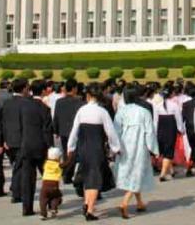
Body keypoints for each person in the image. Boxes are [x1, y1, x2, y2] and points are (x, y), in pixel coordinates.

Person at [67, 83, 121, 221]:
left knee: (87, 177)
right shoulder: (102, 112)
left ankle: (86, 203)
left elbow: (74, 131)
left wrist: (70, 148)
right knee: (95, 179)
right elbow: (111, 132)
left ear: (88, 95)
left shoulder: (81, 110)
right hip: (97, 148)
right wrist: (116, 148)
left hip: (82, 148)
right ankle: (90, 210)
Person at [114, 86, 157, 219]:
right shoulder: (144, 112)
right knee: (137, 173)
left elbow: (116, 131)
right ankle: (124, 203)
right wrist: (153, 148)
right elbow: (149, 132)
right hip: (139, 146)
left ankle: (139, 203)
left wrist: (115, 148)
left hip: (124, 146)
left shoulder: (121, 112)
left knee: (131, 173)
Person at [17, 80, 54, 216]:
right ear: (43, 91)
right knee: (48, 177)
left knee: (27, 179)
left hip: (26, 146)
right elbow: (47, 131)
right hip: (41, 147)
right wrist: (51, 148)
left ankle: (27, 208)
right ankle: (50, 203)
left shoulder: (24, 106)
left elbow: (20, 127)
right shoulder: (45, 109)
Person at [0, 78, 28, 202]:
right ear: (24, 88)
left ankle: (15, 188)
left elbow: (3, 123)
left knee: (17, 165)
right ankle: (16, 192)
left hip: (9, 140)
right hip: (22, 139)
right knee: (19, 166)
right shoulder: (26, 103)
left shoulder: (7, 103)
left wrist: (4, 139)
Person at [52, 78, 84, 186]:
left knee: (67, 152)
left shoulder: (59, 102)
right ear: (74, 88)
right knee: (76, 152)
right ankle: (71, 173)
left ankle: (67, 174)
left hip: (63, 131)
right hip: (76, 131)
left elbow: (56, 117)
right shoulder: (80, 102)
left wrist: (56, 130)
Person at [153, 85, 183, 181]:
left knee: (164, 150)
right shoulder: (174, 105)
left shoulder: (157, 106)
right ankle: (162, 174)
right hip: (171, 129)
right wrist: (181, 129)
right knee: (168, 152)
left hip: (161, 129)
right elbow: (178, 119)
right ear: (171, 94)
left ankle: (171, 170)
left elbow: (155, 121)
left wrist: (155, 132)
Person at [39, 146, 64, 221]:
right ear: (58, 158)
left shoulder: (46, 164)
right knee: (56, 197)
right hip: (54, 185)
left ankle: (43, 214)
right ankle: (53, 208)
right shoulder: (59, 165)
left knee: (43, 199)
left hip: (45, 185)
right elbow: (65, 165)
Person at [180, 85, 195, 177]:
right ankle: (191, 166)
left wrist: (181, 129)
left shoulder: (185, 104)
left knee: (194, 147)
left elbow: (182, 117)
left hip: (189, 128)